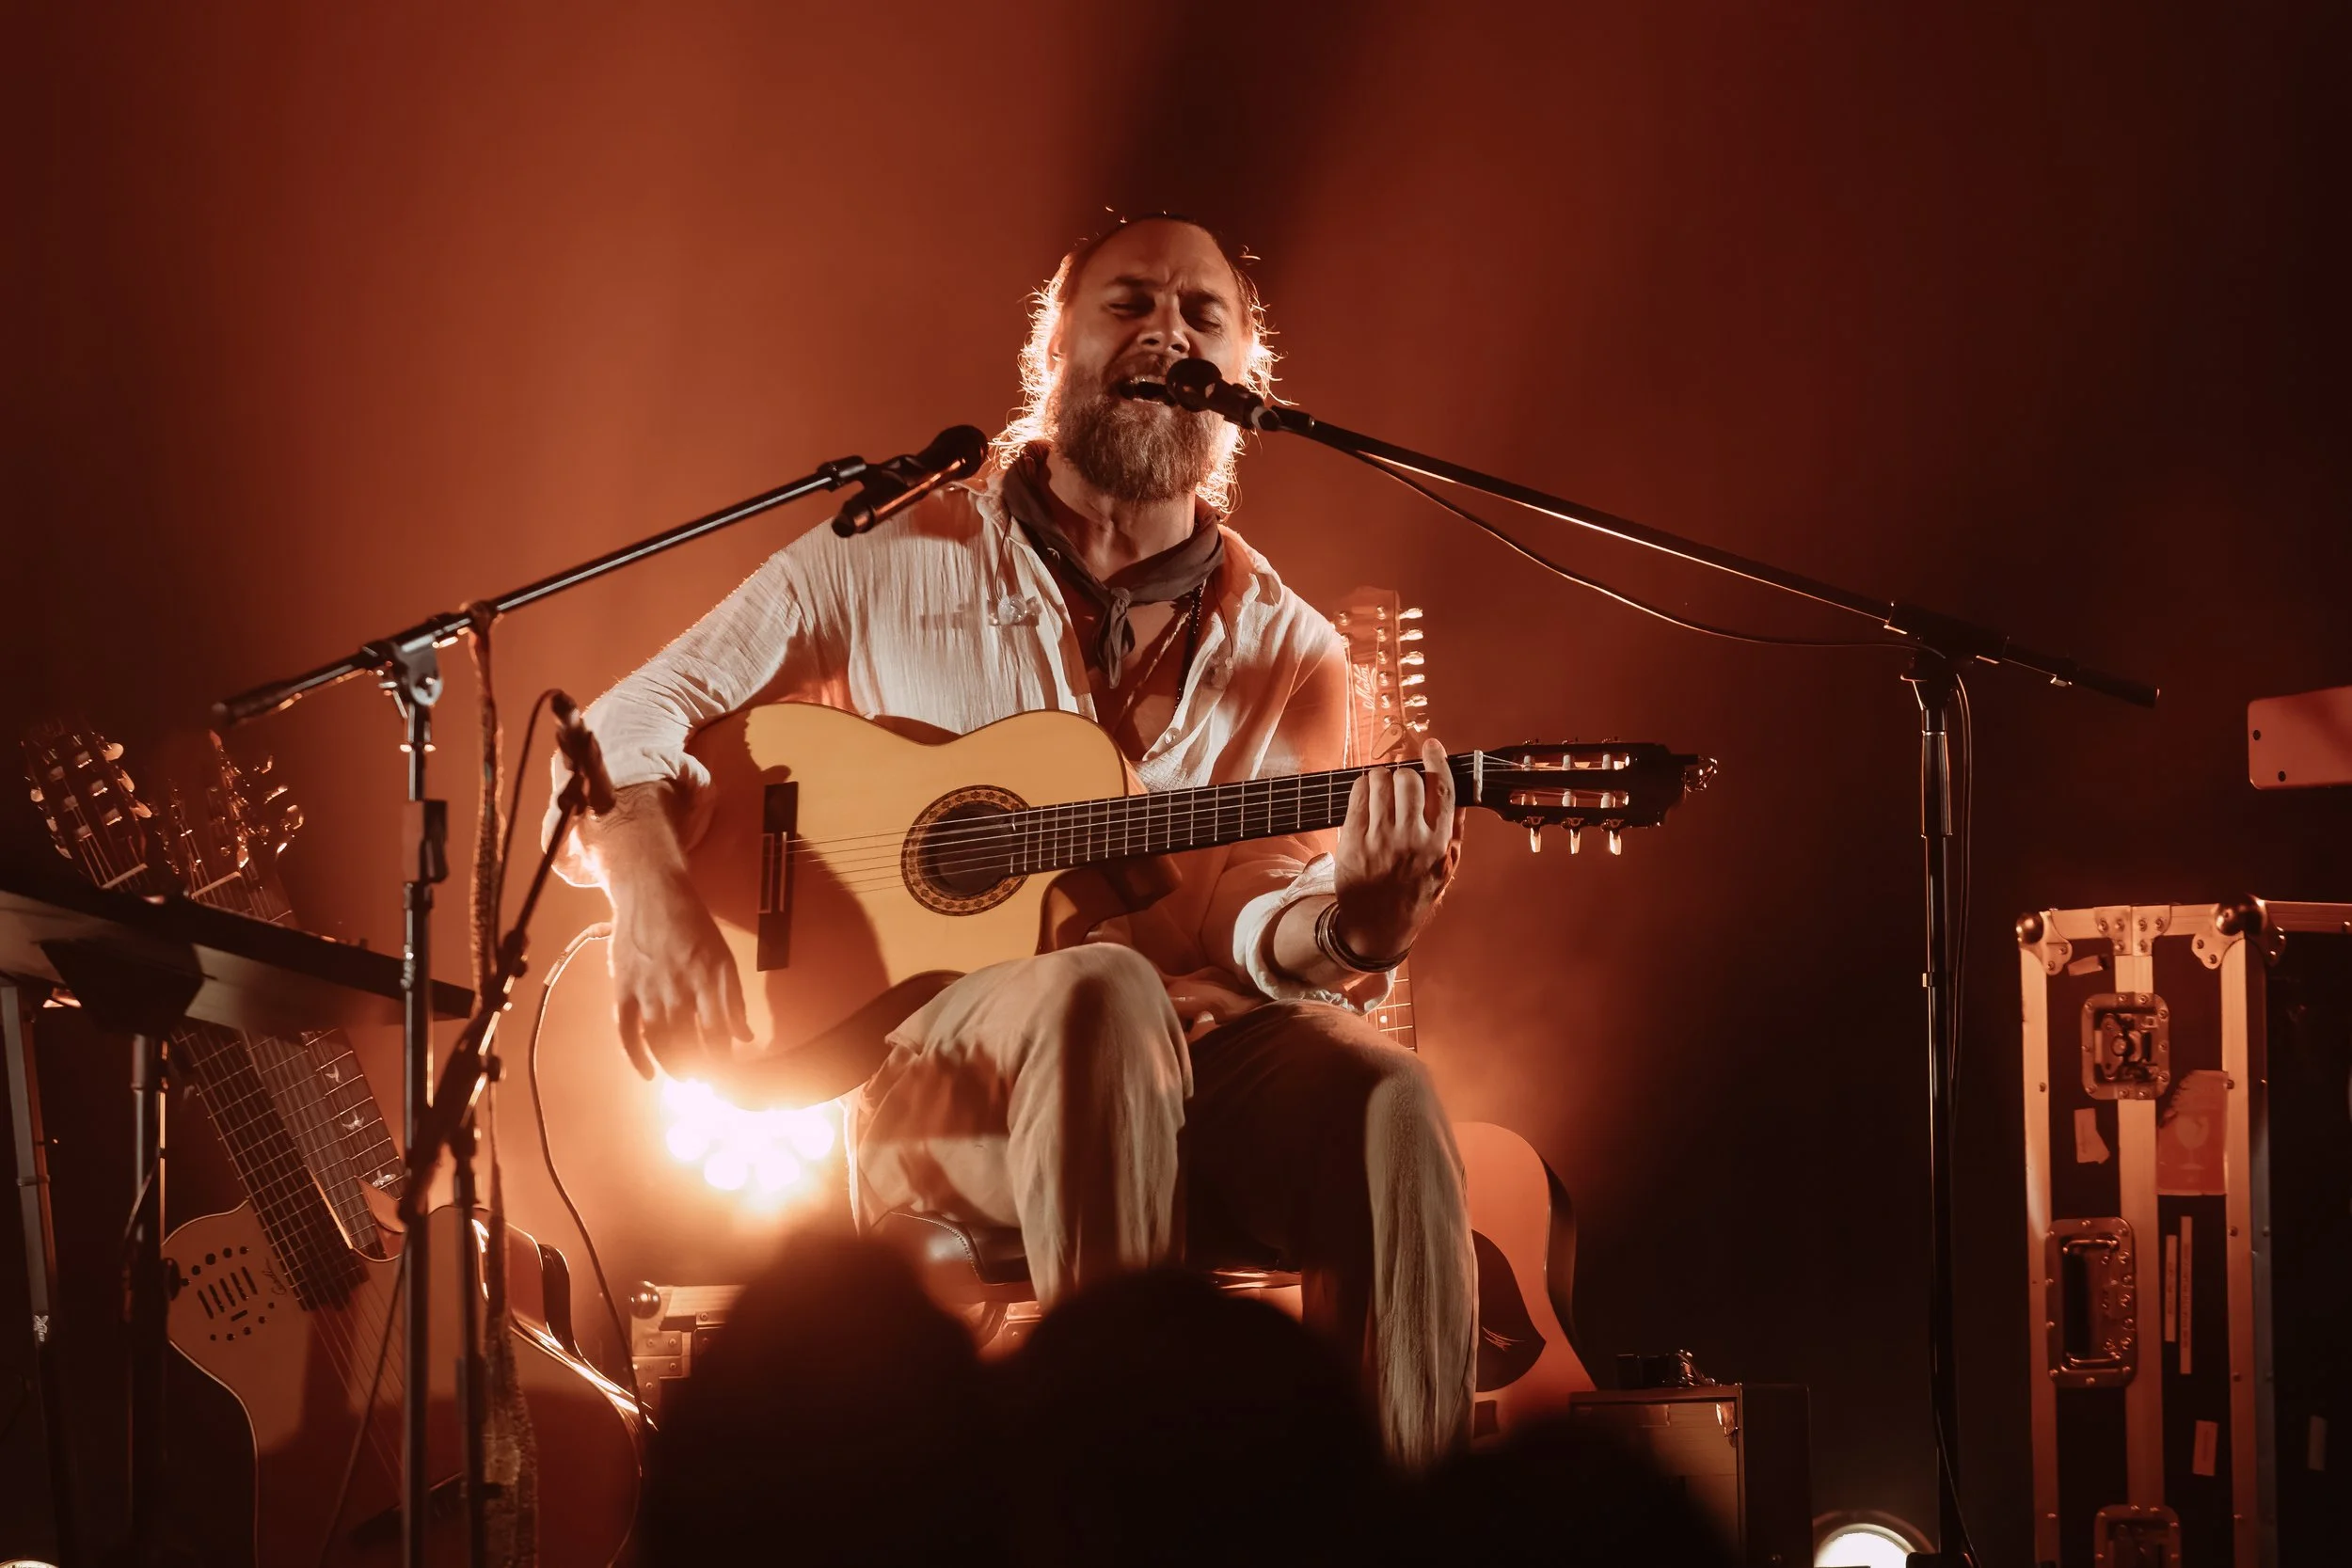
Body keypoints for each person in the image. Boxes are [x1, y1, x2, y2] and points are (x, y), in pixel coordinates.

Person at [557, 214, 1476, 1464]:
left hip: (1194, 1081)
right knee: (1098, 991)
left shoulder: (1291, 648)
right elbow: (623, 719)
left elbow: (1251, 914)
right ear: (1049, 351)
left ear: (1248, 388)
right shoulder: (884, 556)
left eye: (1203, 316)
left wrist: (1358, 922)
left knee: (1392, 1097)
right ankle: (1116, 1516)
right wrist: (652, 887)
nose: (1166, 330)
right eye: (1129, 304)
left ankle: (1403, 1525)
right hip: (941, 1090)